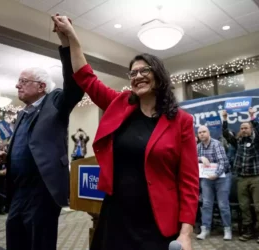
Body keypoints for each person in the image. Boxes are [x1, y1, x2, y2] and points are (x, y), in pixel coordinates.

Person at [52, 15, 199, 250]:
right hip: (117, 215)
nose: (137, 76)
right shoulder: (120, 104)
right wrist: (72, 38)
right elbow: (86, 78)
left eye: (144, 70)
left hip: (157, 220)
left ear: (159, 76)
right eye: (132, 73)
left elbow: (189, 181)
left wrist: (186, 233)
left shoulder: (181, 121)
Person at [0, 28, 83, 250]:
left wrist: (66, 44)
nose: (16, 85)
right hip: (18, 190)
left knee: (39, 243)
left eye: (23, 81)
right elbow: (25, 146)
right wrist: (5, 157)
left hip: (44, 190)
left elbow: (74, 86)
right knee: (16, 238)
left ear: (41, 86)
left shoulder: (56, 101)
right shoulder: (22, 113)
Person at [222, 108, 259, 243]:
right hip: (241, 178)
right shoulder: (238, 142)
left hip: (256, 178)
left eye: (246, 127)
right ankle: (248, 231)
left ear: (251, 129)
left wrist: (252, 117)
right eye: (242, 128)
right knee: (244, 206)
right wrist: (224, 119)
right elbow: (226, 134)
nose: (244, 129)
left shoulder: (257, 142)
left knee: (258, 206)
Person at [196, 125, 232, 240]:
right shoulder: (198, 147)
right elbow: (193, 158)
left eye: (204, 132)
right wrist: (200, 158)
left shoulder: (216, 144)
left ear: (209, 133)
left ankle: (227, 229)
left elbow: (223, 162)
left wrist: (216, 174)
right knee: (206, 204)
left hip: (222, 177)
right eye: (200, 132)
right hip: (207, 178)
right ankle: (205, 229)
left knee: (223, 205)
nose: (202, 134)